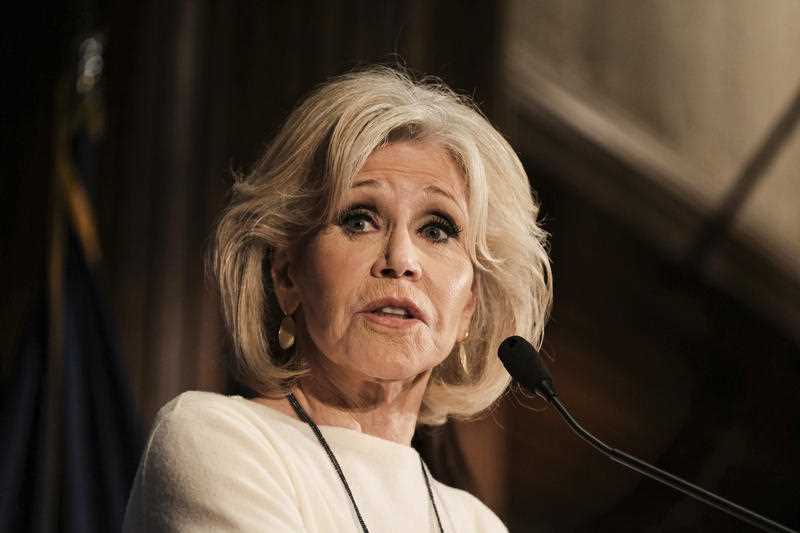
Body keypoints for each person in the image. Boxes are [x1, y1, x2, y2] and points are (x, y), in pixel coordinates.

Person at [123, 66, 552, 532]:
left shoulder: (476, 525)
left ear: (470, 303)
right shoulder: (218, 440)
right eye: (359, 220)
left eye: (436, 230)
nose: (401, 259)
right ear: (287, 274)